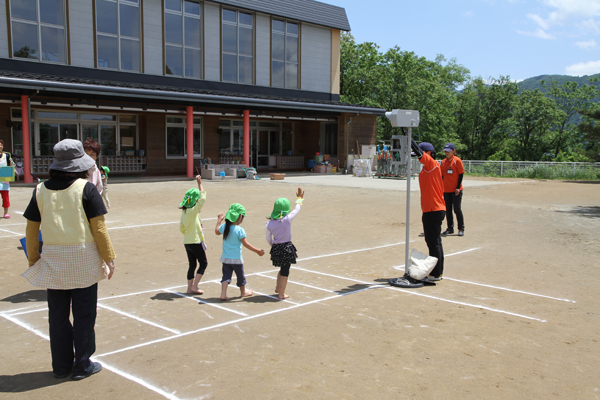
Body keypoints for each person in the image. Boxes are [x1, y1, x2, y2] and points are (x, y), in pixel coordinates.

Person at [21, 139, 116, 381]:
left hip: (53, 259)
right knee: (85, 314)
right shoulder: (86, 188)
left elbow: (32, 229)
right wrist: (109, 258)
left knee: (58, 315)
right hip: (83, 259)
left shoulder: (40, 189)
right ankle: (82, 364)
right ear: (81, 165)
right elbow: (100, 229)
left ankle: (61, 365)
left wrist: (33, 258)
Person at [411, 140, 445, 281]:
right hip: (429, 209)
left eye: (421, 155)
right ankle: (437, 272)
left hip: (434, 209)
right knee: (434, 241)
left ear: (429, 154)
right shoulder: (426, 169)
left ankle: (435, 273)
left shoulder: (432, 165)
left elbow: (419, 153)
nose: (418, 159)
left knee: (433, 242)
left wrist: (408, 136)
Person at [215, 203, 265, 300]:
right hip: (236, 259)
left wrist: (219, 221)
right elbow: (246, 244)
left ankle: (223, 293)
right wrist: (257, 251)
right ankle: (243, 292)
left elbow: (217, 231)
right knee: (240, 276)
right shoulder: (239, 230)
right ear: (240, 217)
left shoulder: (225, 227)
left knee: (226, 276)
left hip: (225, 258)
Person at [266, 188, 305, 300]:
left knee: (282, 268)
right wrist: (299, 199)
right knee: (285, 270)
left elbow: (268, 238)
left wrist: (273, 246)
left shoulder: (270, 223)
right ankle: (281, 293)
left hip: (276, 247)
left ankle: (278, 287)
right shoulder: (287, 219)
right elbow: (297, 208)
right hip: (286, 247)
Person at [180, 175, 208, 295]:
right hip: (195, 241)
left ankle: (189, 287)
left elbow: (182, 229)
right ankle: (195, 286)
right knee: (203, 263)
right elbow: (202, 199)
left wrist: (190, 232)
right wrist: (199, 183)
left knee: (192, 264)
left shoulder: (185, 212)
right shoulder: (192, 211)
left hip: (187, 242)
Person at [440, 143, 465, 236]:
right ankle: (450, 228)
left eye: (449, 151)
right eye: (445, 151)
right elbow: (441, 176)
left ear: (453, 151)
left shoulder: (457, 161)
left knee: (457, 209)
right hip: (446, 190)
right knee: (448, 210)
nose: (447, 153)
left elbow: (461, 174)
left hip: (456, 190)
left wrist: (458, 187)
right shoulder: (443, 162)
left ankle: (461, 228)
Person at [0, 139, 14, 219]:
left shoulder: (7, 156)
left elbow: (10, 167)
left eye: (1, 145)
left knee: (5, 198)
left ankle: (6, 213)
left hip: (4, 180)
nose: (0, 146)